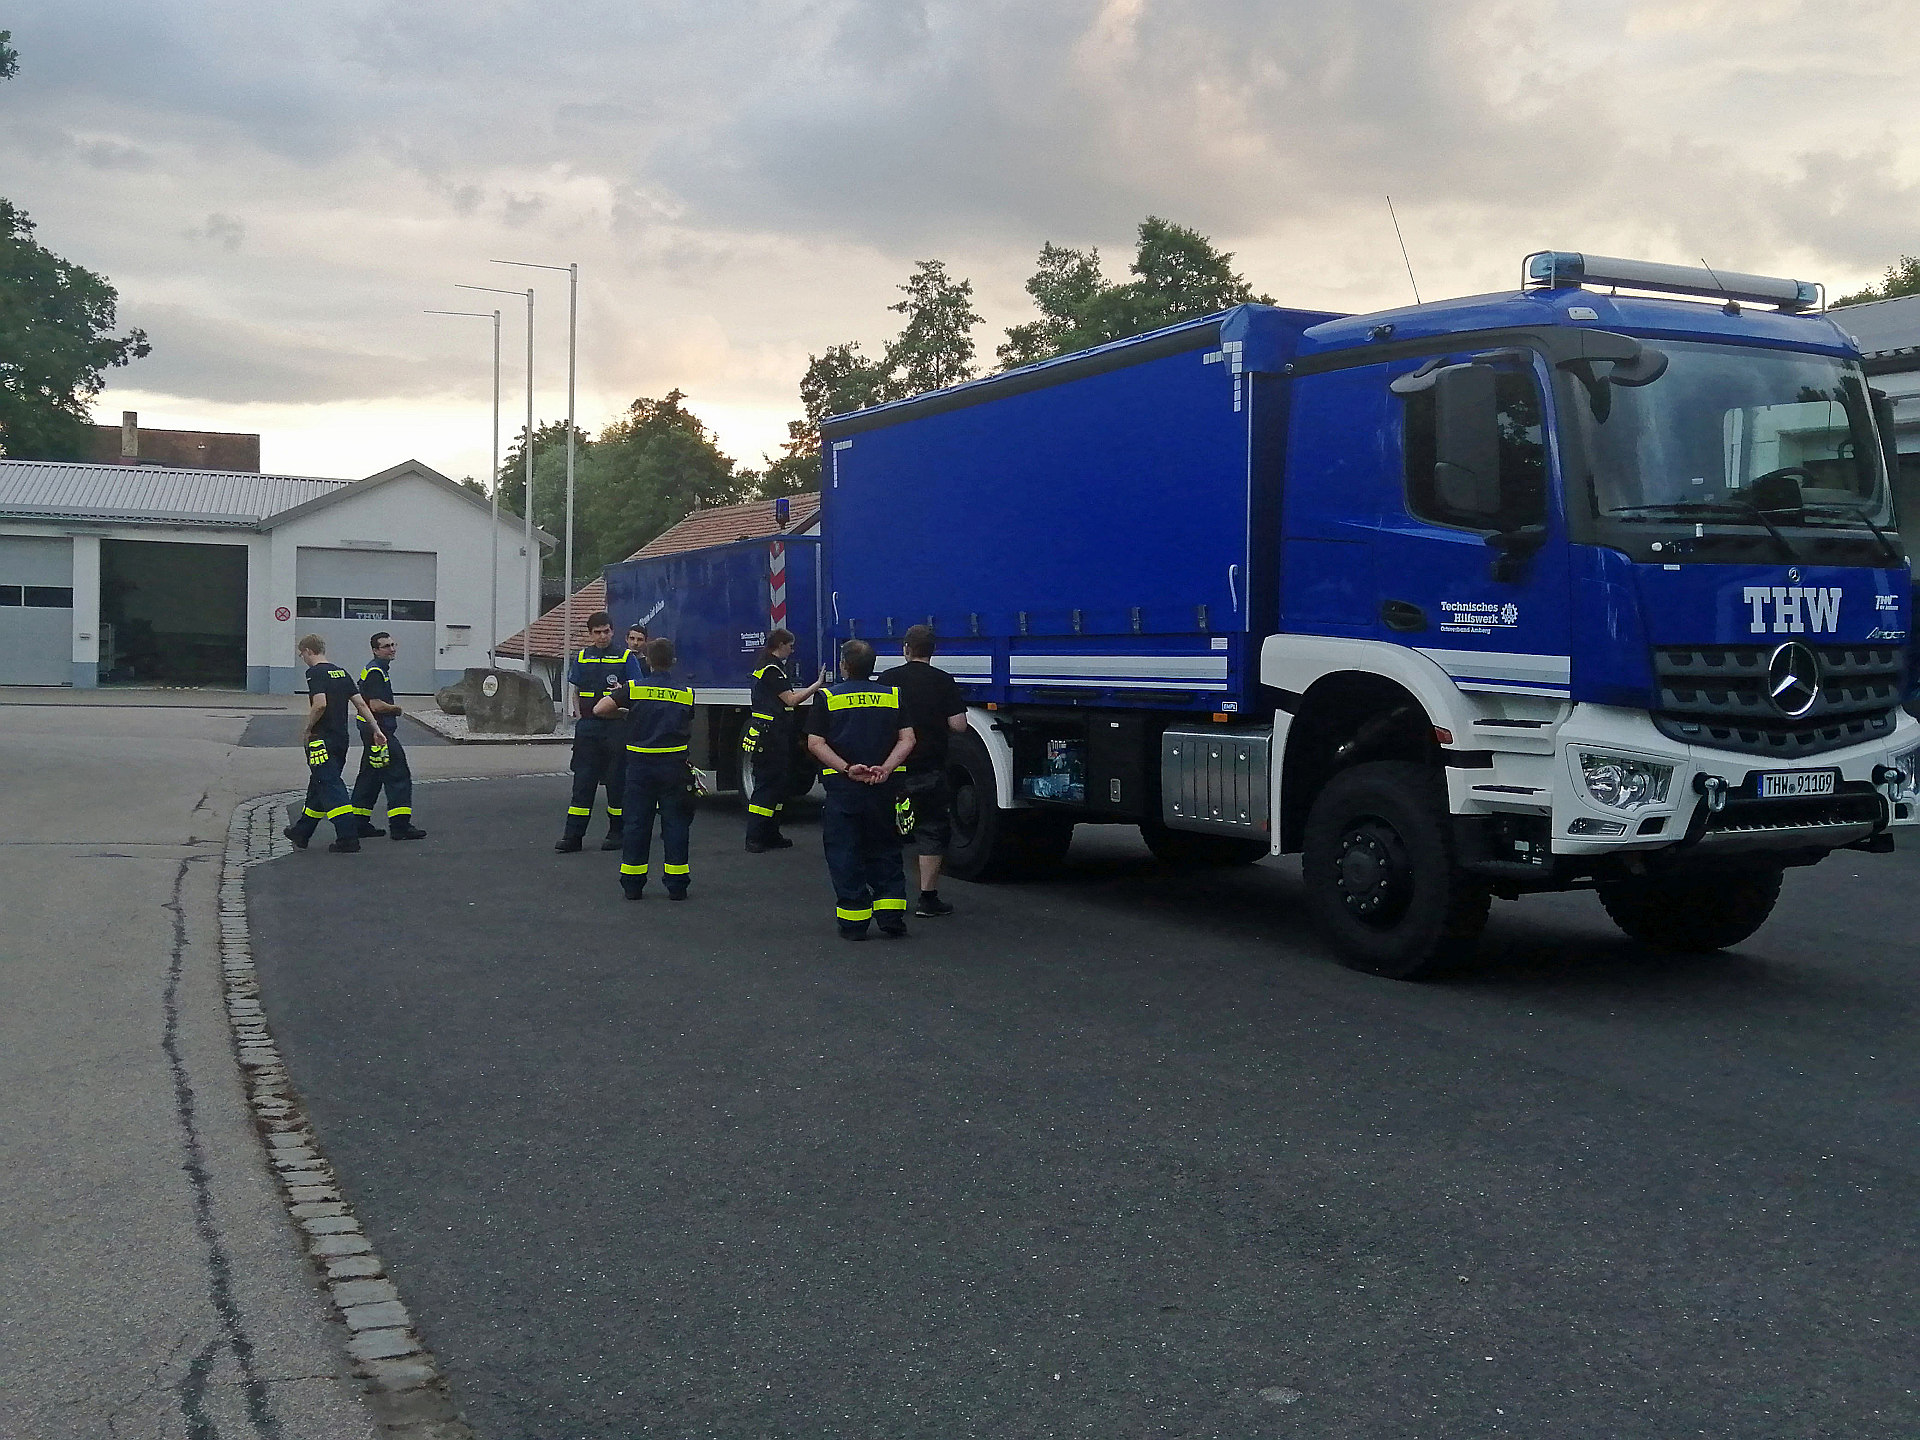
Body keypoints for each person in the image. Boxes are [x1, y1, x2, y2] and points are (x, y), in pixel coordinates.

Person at [805, 639, 916, 941]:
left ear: (843, 665)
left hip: (844, 789)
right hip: (884, 788)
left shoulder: (827, 697)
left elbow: (816, 743)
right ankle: (891, 917)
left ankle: (854, 922)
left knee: (845, 853)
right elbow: (908, 739)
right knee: (886, 849)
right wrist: (886, 768)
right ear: (872, 666)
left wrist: (847, 768)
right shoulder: (892, 696)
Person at [878, 624, 968, 917]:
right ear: (933, 651)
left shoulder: (888, 679)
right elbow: (959, 725)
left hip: (893, 767)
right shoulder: (944, 681)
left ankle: (884, 894)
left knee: (888, 828)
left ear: (905, 649)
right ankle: (928, 898)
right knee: (931, 830)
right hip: (929, 768)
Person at [598, 637, 696, 901]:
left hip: (641, 767)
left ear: (648, 661)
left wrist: (625, 714)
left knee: (637, 824)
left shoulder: (633, 689)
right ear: (673, 662)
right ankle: (677, 885)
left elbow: (600, 708)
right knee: (675, 825)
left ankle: (632, 884)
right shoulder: (686, 694)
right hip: (674, 767)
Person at [284, 635, 391, 855]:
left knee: (330, 785)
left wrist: (307, 728)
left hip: (320, 740)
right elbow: (360, 704)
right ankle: (302, 832)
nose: (302, 658)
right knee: (319, 784)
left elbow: (320, 704)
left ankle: (348, 837)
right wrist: (376, 729)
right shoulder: (341, 672)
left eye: (301, 654)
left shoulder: (315, 673)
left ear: (307, 651)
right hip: (341, 739)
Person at [556, 611, 634, 853]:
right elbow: (576, 691)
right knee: (583, 782)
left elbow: (637, 690)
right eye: (597, 632)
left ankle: (617, 832)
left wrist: (623, 692)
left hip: (616, 726)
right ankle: (573, 836)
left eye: (606, 631)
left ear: (613, 631)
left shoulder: (626, 657)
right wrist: (580, 717)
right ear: (590, 634)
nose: (602, 636)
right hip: (589, 727)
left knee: (616, 782)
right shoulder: (582, 657)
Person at [743, 628, 828, 852]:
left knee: (779, 785)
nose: (792, 650)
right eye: (790, 645)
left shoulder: (771, 666)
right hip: (770, 734)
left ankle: (771, 833)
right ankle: (755, 836)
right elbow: (790, 700)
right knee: (767, 785)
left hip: (775, 733)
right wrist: (816, 685)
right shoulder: (771, 669)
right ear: (780, 644)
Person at [346, 632, 427, 841]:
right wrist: (397, 709)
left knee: (370, 776)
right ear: (375, 650)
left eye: (393, 645)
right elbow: (375, 705)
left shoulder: (377, 669)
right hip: (379, 732)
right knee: (398, 775)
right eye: (386, 646)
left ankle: (358, 823)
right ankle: (400, 826)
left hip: (371, 730)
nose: (391, 649)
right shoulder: (375, 671)